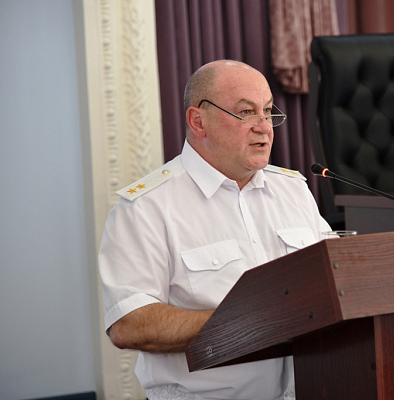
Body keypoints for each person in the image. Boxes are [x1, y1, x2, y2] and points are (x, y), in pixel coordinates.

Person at [98, 60, 331, 400]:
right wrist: (255, 320)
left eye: (268, 111)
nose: (264, 127)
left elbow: (335, 279)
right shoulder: (146, 207)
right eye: (246, 112)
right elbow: (129, 323)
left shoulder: (293, 190)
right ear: (198, 121)